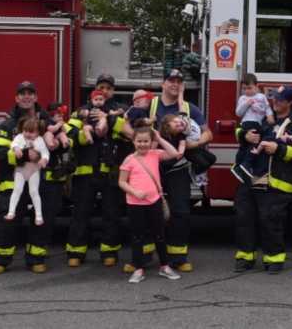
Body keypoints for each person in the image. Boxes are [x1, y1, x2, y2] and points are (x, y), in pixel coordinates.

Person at [0, 81, 69, 274]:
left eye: (30, 93)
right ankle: (1, 259)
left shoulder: (49, 122)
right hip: (15, 179)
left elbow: (69, 142)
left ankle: (36, 258)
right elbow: (0, 153)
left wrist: (58, 145)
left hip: (47, 180)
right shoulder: (8, 125)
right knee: (9, 220)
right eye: (22, 94)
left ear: (35, 97)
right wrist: (27, 156)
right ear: (16, 98)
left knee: (43, 220)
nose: (26, 97)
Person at [233, 85, 292, 274]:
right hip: (255, 178)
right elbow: (241, 130)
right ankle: (245, 257)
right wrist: (244, 135)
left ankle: (274, 259)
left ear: (290, 102)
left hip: (278, 181)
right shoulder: (265, 120)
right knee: (245, 216)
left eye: (280, 100)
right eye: (274, 98)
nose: (275, 102)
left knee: (271, 220)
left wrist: (279, 150)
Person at [147, 68, 213, 272]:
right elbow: (129, 126)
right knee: (147, 212)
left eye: (179, 82)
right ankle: (144, 256)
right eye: (171, 81)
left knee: (181, 211)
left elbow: (207, 134)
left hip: (178, 168)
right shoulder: (151, 106)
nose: (175, 84)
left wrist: (193, 145)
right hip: (152, 168)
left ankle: (178, 256)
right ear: (163, 84)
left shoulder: (189, 107)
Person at [66, 90, 132, 268]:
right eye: (101, 87)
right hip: (85, 173)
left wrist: (109, 119)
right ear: (92, 96)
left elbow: (128, 135)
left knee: (111, 213)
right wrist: (87, 135)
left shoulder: (116, 111)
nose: (104, 92)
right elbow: (69, 135)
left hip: (109, 172)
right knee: (81, 213)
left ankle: (109, 251)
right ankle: (76, 252)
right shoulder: (80, 112)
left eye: (108, 88)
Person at [118, 120, 184, 283]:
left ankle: (164, 266)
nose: (142, 144)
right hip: (135, 203)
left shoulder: (155, 154)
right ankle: (138, 268)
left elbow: (175, 153)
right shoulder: (129, 160)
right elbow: (122, 181)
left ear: (151, 141)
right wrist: (135, 192)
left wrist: (159, 138)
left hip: (154, 202)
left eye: (146, 141)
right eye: (139, 141)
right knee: (137, 237)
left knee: (159, 235)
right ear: (133, 141)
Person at [5, 117, 50, 225]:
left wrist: (44, 160)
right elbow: (13, 144)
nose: (28, 134)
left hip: (34, 169)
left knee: (34, 192)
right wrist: (16, 149)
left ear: (38, 132)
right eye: (25, 131)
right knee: (17, 190)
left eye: (31, 132)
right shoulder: (20, 137)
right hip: (21, 169)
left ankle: (39, 216)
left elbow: (45, 152)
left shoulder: (39, 140)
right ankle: (11, 212)